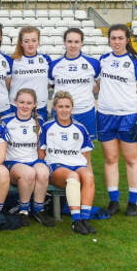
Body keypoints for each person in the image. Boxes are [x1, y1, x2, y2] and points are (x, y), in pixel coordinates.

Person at [97, 24, 137, 217]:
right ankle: (114, 201)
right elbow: (99, 86)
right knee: (110, 159)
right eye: (113, 38)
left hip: (129, 116)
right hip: (105, 115)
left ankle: (133, 203)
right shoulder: (103, 60)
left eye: (120, 38)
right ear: (109, 40)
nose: (117, 42)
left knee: (131, 159)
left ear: (127, 39)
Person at [39, 91, 97, 235]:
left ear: (72, 108)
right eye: (60, 107)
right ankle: (76, 222)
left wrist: (88, 174)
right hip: (56, 166)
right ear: (54, 108)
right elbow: (41, 154)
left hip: (77, 164)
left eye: (67, 106)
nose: (64, 110)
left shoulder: (80, 128)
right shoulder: (47, 127)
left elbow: (86, 158)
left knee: (89, 176)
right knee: (73, 177)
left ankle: (85, 220)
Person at [3, 89, 54, 227]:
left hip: (33, 160)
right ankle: (24, 210)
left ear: (35, 104)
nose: (25, 106)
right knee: (29, 173)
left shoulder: (40, 121)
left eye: (29, 103)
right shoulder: (6, 121)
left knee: (43, 172)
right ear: (15, 102)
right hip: (12, 163)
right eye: (21, 102)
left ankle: (39, 209)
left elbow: (41, 146)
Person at [49, 28, 100, 142]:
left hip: (85, 112)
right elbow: (50, 86)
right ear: (64, 42)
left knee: (85, 151)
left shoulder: (93, 63)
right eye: (69, 41)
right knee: (59, 147)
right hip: (60, 112)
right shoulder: (54, 64)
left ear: (82, 42)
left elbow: (101, 86)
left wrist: (86, 94)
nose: (73, 45)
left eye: (76, 42)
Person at [9, 26, 52, 120]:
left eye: (33, 40)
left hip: (39, 107)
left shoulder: (46, 60)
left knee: (39, 135)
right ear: (21, 43)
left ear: (38, 42)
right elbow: (7, 83)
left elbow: (48, 83)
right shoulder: (13, 60)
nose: (30, 44)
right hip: (17, 108)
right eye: (26, 41)